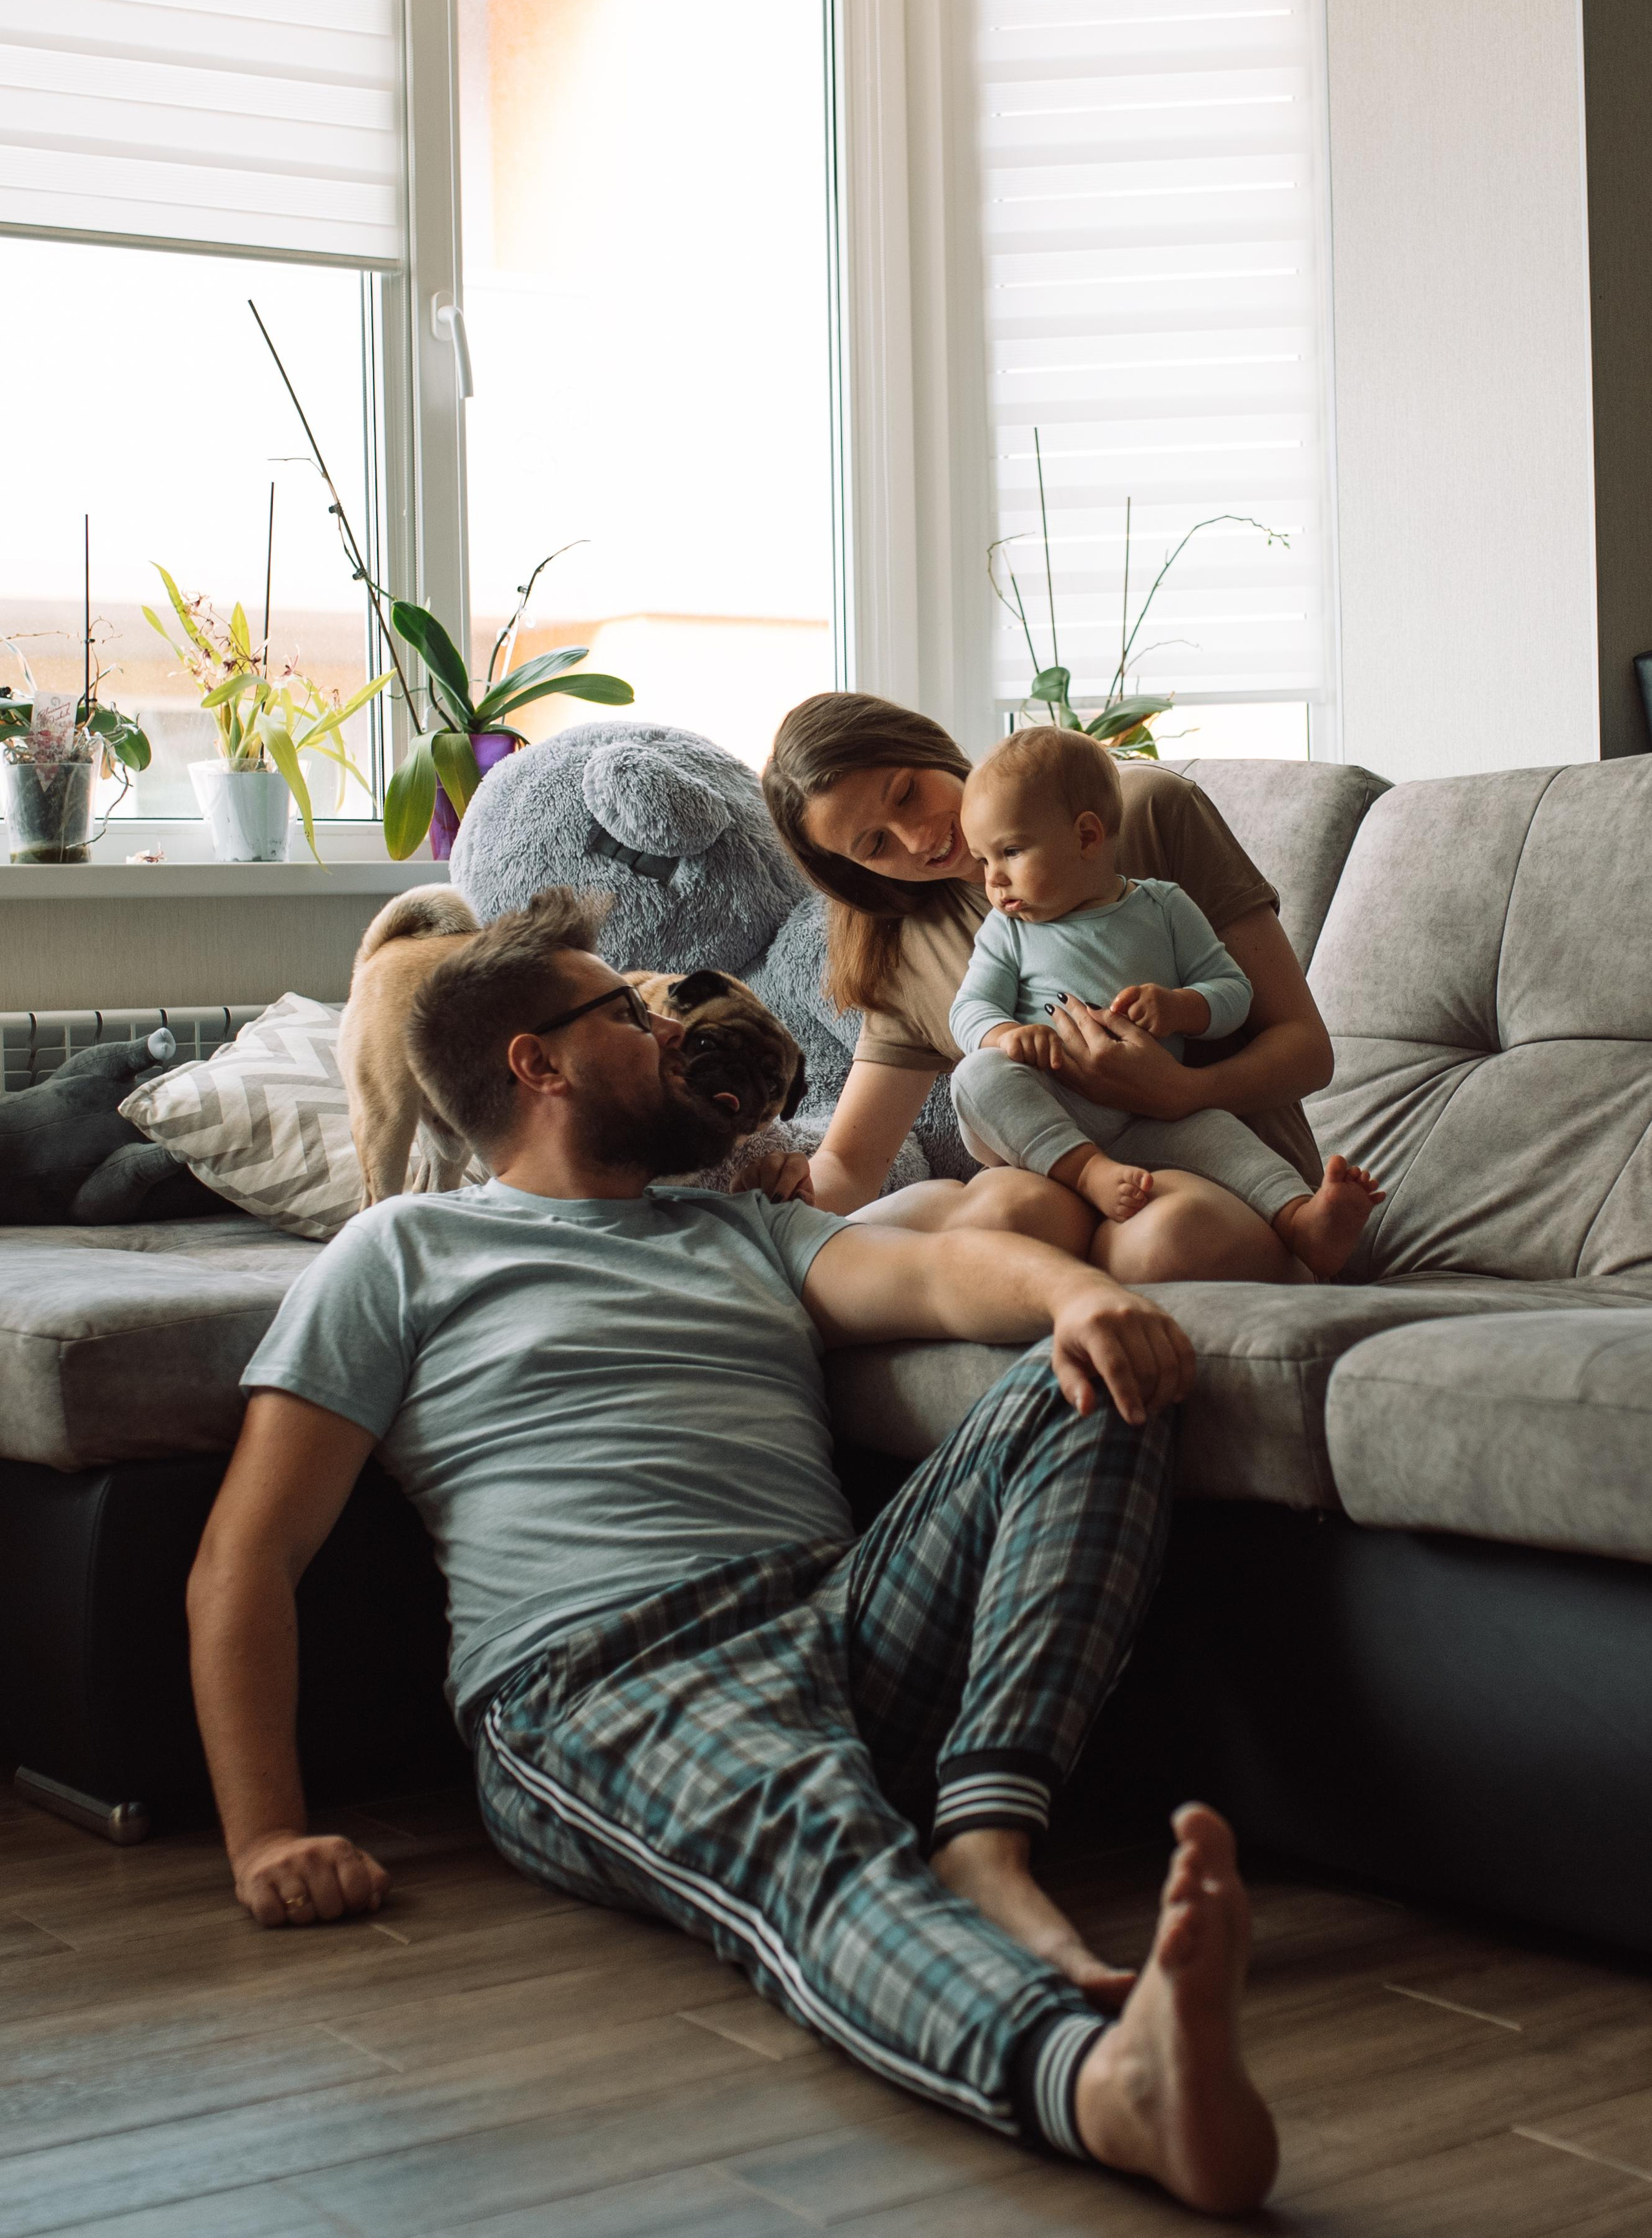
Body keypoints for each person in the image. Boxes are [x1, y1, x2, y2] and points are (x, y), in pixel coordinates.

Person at [187, 887, 1278, 2217]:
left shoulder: (737, 1227)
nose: (666, 1027)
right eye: (624, 1012)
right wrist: (267, 1838)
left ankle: (985, 1835)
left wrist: (1082, 1294)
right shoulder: (402, 1251)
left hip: (838, 1615)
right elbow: (246, 1553)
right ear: (535, 1065)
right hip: (607, 1672)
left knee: (1097, 1380)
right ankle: (1099, 2083)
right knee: (807, 1844)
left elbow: (942, 1280)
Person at [763, 691, 1338, 1286]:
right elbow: (852, 1164)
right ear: (857, 870)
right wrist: (779, 1194)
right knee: (1006, 1209)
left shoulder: (1140, 813)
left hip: (1234, 1177)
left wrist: (1183, 1091)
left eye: (907, 793)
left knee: (1161, 1243)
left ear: (929, 748)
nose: (915, 838)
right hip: (1073, 1198)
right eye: (875, 845)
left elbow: (1308, 1051)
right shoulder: (904, 951)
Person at [949, 725, 1381, 1274]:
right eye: (983, 861)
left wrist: (1183, 1008)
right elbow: (969, 1011)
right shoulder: (1006, 931)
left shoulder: (1164, 907)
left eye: (1010, 852)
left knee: (1224, 1135)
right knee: (977, 1076)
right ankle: (1087, 1171)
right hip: (1054, 1104)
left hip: (1155, 1111)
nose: (994, 881)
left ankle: (1301, 1219)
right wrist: (1007, 1036)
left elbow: (1234, 994)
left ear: (1086, 838)